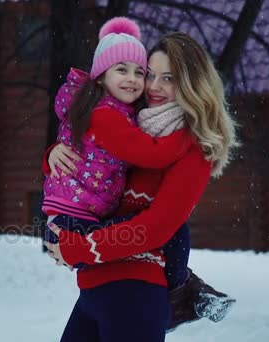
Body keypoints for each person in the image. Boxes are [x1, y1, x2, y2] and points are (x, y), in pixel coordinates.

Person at [44, 31, 239, 341]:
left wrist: (84, 246)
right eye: (151, 75)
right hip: (93, 289)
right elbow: (93, 168)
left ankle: (185, 288)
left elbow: (156, 228)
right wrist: (53, 155)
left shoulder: (192, 146)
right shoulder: (134, 124)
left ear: (191, 83)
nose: (154, 86)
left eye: (169, 78)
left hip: (133, 293)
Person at [42, 17, 191, 259]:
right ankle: (180, 288)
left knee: (163, 236)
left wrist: (51, 153)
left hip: (77, 217)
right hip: (72, 224)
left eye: (139, 72)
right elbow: (152, 155)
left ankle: (180, 284)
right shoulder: (104, 116)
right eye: (122, 70)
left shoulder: (112, 111)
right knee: (171, 235)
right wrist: (186, 135)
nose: (132, 78)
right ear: (100, 76)